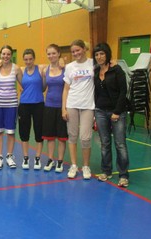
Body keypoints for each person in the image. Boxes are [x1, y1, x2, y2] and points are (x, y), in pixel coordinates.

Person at [93, 43, 129, 187]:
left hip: (116, 112)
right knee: (105, 143)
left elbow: (123, 92)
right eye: (96, 54)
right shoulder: (95, 71)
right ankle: (106, 171)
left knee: (120, 144)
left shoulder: (117, 70)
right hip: (100, 111)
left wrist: (117, 112)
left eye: (102, 54)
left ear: (107, 54)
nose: (99, 57)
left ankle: (123, 175)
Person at [62, 40, 95, 179]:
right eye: (73, 51)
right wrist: (63, 108)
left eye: (78, 50)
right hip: (72, 104)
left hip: (88, 105)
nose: (76, 53)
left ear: (84, 49)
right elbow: (66, 89)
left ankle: (86, 166)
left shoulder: (93, 63)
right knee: (73, 136)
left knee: (85, 137)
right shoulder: (69, 67)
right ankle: (74, 165)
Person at [0, 45, 23, 170]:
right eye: (3, 54)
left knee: (10, 132)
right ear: (0, 55)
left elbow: (24, 84)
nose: (5, 56)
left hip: (11, 105)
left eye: (8, 54)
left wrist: (20, 97)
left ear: (12, 55)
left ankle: (9, 156)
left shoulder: (17, 68)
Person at [42, 44, 68, 173]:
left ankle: (60, 161)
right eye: (49, 54)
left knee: (62, 137)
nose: (51, 56)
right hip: (49, 106)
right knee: (50, 136)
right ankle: (50, 159)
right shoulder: (45, 70)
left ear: (59, 54)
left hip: (62, 107)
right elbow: (43, 88)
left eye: (53, 53)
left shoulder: (65, 68)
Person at [19, 49, 46, 170]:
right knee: (24, 132)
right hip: (24, 104)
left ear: (34, 59)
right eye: (26, 59)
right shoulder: (20, 70)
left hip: (38, 104)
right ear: (23, 59)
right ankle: (25, 157)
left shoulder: (40, 69)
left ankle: (37, 158)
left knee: (39, 132)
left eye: (30, 59)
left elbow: (44, 87)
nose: (28, 61)